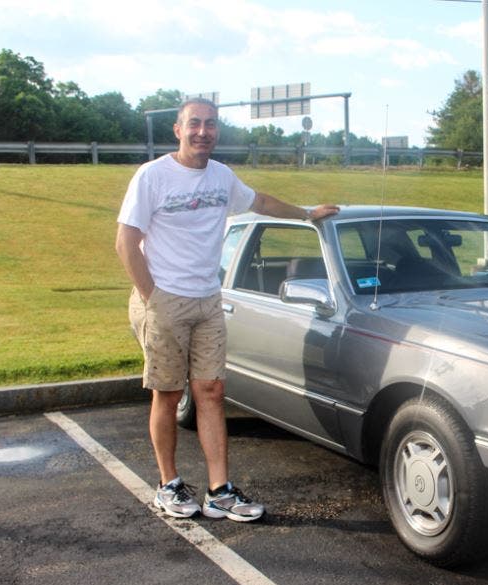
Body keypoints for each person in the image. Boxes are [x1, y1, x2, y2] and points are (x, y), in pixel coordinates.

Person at [115, 97, 338, 522]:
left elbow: (262, 203)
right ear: (178, 130)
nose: (203, 131)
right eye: (194, 124)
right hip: (163, 300)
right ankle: (168, 484)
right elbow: (126, 242)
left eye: (211, 124)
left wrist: (308, 214)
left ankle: (219, 491)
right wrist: (152, 297)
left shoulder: (221, 177)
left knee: (212, 393)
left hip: (208, 300)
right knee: (168, 394)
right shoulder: (153, 176)